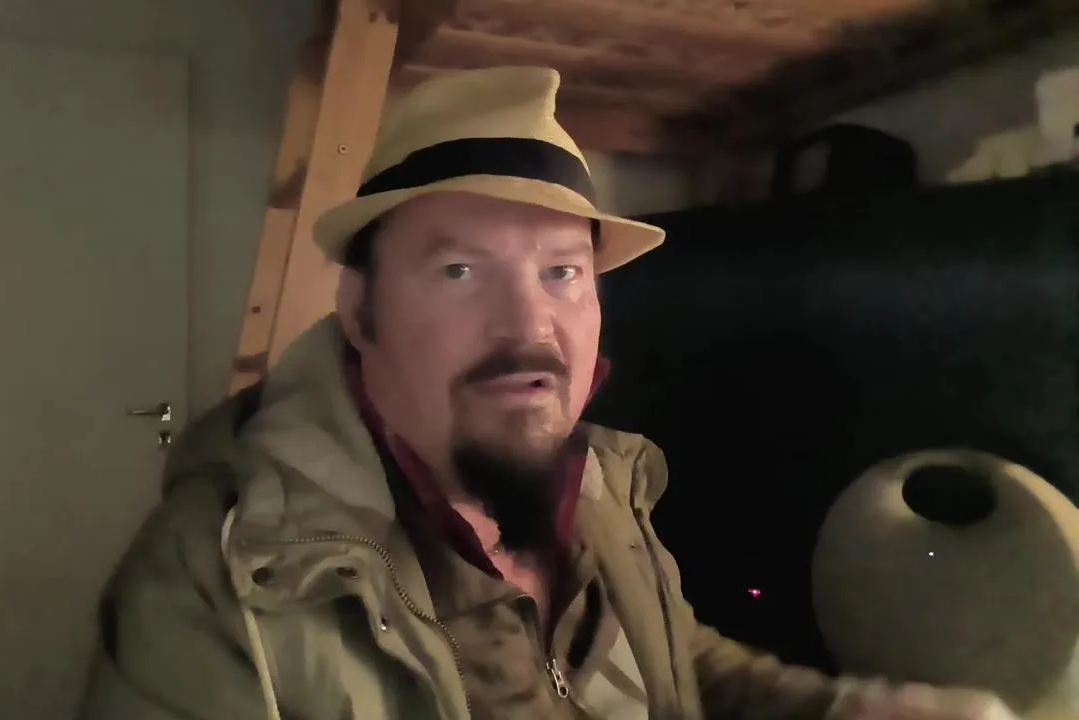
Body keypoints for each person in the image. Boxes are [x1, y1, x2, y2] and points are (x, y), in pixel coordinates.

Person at [78, 67, 1017, 720]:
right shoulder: (215, 579)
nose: (529, 325)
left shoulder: (603, 481)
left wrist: (847, 710)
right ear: (360, 311)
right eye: (459, 271)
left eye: (563, 272)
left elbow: (670, 656)